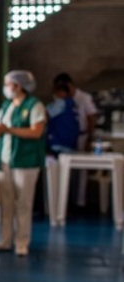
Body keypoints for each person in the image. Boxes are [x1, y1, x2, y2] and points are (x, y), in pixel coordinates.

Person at [0, 70, 46, 256]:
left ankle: (22, 242)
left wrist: (8, 130)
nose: (6, 88)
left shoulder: (34, 106)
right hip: (4, 160)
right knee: (5, 203)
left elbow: (36, 132)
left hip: (25, 162)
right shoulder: (7, 106)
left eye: (8, 84)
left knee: (23, 204)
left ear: (18, 86)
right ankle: (4, 241)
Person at [53, 72, 98, 206]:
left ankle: (80, 202)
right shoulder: (59, 101)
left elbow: (91, 118)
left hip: (82, 137)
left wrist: (90, 138)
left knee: (81, 171)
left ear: (71, 85)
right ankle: (64, 202)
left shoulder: (84, 98)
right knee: (64, 170)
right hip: (64, 140)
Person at [46, 81, 79, 156]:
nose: (55, 95)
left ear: (62, 92)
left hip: (58, 142)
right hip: (71, 144)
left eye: (56, 92)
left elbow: (45, 116)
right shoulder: (73, 104)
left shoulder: (60, 103)